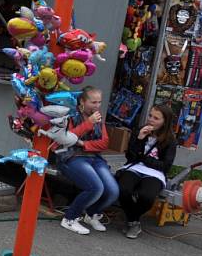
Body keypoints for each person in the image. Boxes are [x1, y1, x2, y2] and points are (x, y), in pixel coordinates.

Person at [58, 86, 119, 235]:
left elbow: (104, 143)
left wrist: (83, 144)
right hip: (71, 157)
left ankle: (91, 214)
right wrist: (88, 123)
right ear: (82, 102)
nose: (97, 106)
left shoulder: (98, 117)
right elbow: (66, 138)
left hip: (93, 157)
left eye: (99, 102)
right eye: (93, 102)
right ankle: (69, 218)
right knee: (96, 188)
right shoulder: (70, 115)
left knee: (113, 191)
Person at [116, 105, 177, 239]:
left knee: (147, 196)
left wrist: (144, 158)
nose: (151, 120)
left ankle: (132, 218)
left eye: (156, 118)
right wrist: (139, 139)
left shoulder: (170, 140)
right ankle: (133, 221)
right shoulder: (139, 130)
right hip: (135, 166)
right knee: (122, 189)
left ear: (164, 122)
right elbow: (130, 157)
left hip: (155, 172)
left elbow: (165, 166)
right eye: (150, 116)